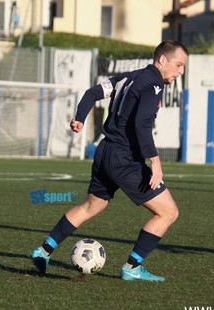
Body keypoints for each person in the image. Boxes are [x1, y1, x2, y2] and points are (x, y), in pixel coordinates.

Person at [29, 40, 189, 281]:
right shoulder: (154, 83)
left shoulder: (129, 77)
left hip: (104, 152)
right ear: (162, 60)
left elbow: (93, 92)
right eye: (178, 65)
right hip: (124, 159)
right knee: (168, 213)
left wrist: (80, 117)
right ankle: (132, 268)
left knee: (92, 206)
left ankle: (42, 251)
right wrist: (155, 160)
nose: (180, 72)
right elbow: (141, 124)